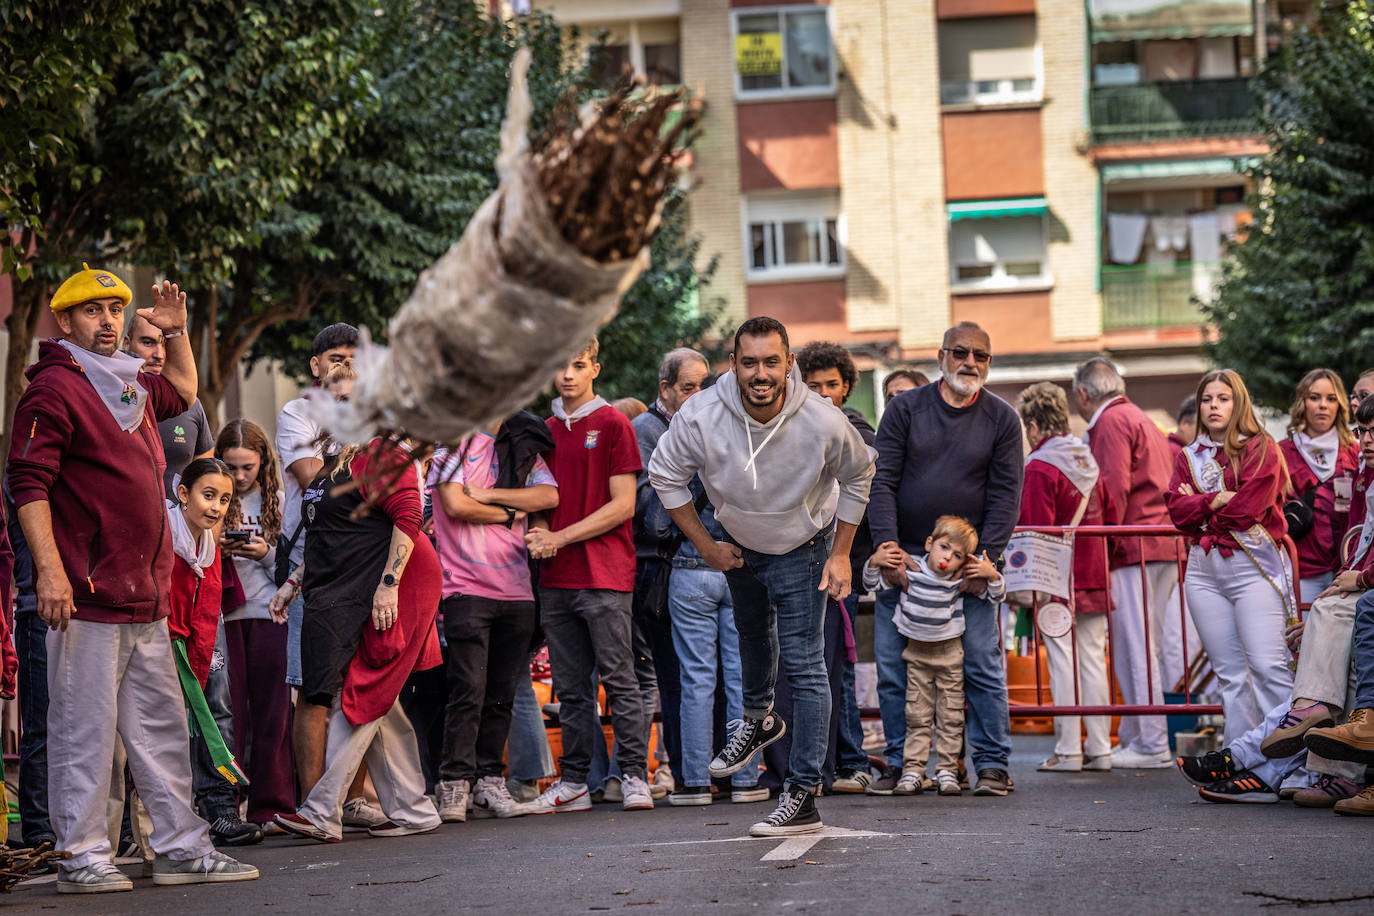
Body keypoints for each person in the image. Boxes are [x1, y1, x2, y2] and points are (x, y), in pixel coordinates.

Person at [8, 265, 257, 891]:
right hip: (86, 596)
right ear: (64, 322)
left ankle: (178, 846)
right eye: (92, 312)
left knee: (162, 731)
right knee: (83, 733)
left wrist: (175, 334)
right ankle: (81, 855)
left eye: (115, 310)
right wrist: (50, 575)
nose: (109, 321)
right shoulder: (54, 390)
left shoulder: (129, 383)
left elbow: (183, 390)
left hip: (145, 597)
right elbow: (27, 485)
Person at [648, 316, 875, 837]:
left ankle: (802, 796)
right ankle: (758, 720)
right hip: (741, 543)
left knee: (805, 664)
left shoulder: (820, 419)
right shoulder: (702, 413)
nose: (760, 373)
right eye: (749, 362)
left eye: (772, 362)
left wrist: (841, 555)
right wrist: (706, 546)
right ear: (733, 364)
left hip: (805, 543)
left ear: (789, 364)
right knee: (752, 635)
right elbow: (664, 475)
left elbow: (860, 474)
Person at [868, 322, 1022, 798]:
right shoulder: (904, 409)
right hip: (907, 567)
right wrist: (887, 548)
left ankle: (992, 765)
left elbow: (1005, 496)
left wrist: (985, 562)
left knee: (980, 666)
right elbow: (882, 480)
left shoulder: (1002, 418)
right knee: (894, 670)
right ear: (941, 356)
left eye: (980, 355)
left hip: (966, 569)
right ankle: (900, 763)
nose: (970, 362)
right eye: (960, 352)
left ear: (989, 363)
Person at [272, 440, 443, 841]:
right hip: (363, 584)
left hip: (401, 583)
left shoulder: (384, 452)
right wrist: (293, 581)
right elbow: (334, 536)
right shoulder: (336, 460)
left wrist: (389, 586)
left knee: (367, 690)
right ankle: (414, 810)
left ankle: (321, 809)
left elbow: (409, 517)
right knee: (380, 698)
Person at [522, 338, 654, 813]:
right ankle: (575, 781)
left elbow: (622, 506)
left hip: (605, 575)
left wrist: (559, 538)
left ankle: (635, 775)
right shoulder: (542, 430)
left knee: (620, 681)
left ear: (595, 367)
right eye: (560, 365)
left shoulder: (614, 423)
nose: (568, 375)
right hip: (556, 579)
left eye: (578, 365)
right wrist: (539, 532)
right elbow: (540, 498)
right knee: (572, 688)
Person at [275, 327, 381, 829]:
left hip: (371, 563)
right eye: (335, 359)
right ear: (316, 366)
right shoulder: (299, 413)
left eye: (354, 361)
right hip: (311, 566)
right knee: (314, 691)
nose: (345, 368)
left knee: (358, 686)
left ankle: (351, 800)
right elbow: (318, 481)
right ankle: (316, 805)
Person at [429, 412, 557, 821]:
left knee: (501, 694)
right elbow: (453, 502)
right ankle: (453, 783)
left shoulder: (522, 447)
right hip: (465, 586)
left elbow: (548, 497)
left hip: (518, 589)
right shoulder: (452, 443)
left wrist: (487, 496)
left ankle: (488, 781)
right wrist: (508, 512)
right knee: (468, 689)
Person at [1166, 368, 1294, 747]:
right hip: (1204, 572)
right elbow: (1176, 511)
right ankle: (1242, 757)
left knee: (1269, 668)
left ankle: (1287, 761)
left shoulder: (1261, 447)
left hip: (1252, 566)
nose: (1213, 406)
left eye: (1223, 399)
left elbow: (1246, 512)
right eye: (1207, 400)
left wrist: (1200, 509)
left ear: (1238, 403)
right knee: (1230, 675)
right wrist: (1213, 499)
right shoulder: (1189, 456)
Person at [1072, 357, 1183, 768]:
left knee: (1135, 647)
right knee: (1142, 645)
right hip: (1157, 542)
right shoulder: (1136, 416)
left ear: (1084, 394)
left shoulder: (1110, 422)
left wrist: (1104, 543)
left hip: (1133, 546)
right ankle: (1141, 737)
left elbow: (1112, 489)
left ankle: (1150, 743)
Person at [1015, 382, 1115, 773]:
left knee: (1062, 662)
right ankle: (1101, 749)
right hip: (1092, 571)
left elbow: (1034, 529)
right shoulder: (1086, 460)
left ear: (1034, 425)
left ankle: (1069, 749)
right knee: (1092, 660)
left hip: (1057, 576)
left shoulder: (1040, 466)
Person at [865, 517, 1003, 796]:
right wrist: (874, 561)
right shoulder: (912, 572)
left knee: (950, 716)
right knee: (917, 715)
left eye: (957, 556)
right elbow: (873, 584)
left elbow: (996, 596)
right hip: (916, 656)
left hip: (950, 657)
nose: (947, 558)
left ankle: (948, 771)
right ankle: (913, 770)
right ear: (929, 543)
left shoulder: (958, 580)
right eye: (943, 548)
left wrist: (992, 575)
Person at [629, 348, 712, 800]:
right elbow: (651, 515)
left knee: (708, 675)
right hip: (657, 570)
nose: (699, 394)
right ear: (665, 389)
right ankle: (685, 772)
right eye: (688, 387)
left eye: (705, 385)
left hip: (699, 564)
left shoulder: (706, 424)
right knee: (677, 676)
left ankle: (709, 770)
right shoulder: (645, 430)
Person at [796, 341, 874, 793]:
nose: (824, 393)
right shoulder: (796, 427)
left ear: (847, 386)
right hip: (806, 560)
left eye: (832, 384)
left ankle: (851, 760)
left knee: (838, 664)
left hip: (844, 561)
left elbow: (865, 495)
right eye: (814, 385)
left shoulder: (858, 431)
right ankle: (824, 762)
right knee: (814, 668)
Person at [216, 419, 296, 832]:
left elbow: (294, 569)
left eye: (248, 466)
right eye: (231, 466)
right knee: (227, 719)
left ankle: (272, 807)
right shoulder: (211, 497)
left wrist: (265, 552)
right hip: (224, 618)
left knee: (273, 716)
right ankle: (224, 804)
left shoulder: (280, 501)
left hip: (269, 615)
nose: (240, 476)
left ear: (264, 461)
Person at [1279, 369, 1360, 602]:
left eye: (1331, 398)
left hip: (1346, 568)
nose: (1323, 405)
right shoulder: (1281, 451)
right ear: (1302, 402)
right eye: (1314, 397)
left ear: (1340, 405)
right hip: (1299, 569)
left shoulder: (1355, 451)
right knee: (1300, 636)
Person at [123, 312, 214, 498]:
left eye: (166, 344)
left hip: (177, 525)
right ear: (126, 343)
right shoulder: (107, 397)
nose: (159, 355)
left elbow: (207, 483)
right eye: (147, 342)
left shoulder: (191, 404)